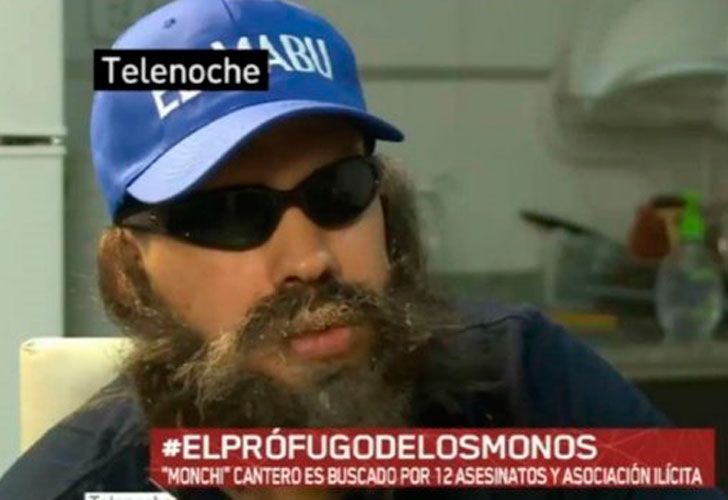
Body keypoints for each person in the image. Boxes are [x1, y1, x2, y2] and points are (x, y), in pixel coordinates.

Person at [0, 1, 724, 499]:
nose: (309, 260)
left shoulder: (526, 380)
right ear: (134, 272)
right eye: (229, 215)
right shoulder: (83, 485)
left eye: (338, 191)